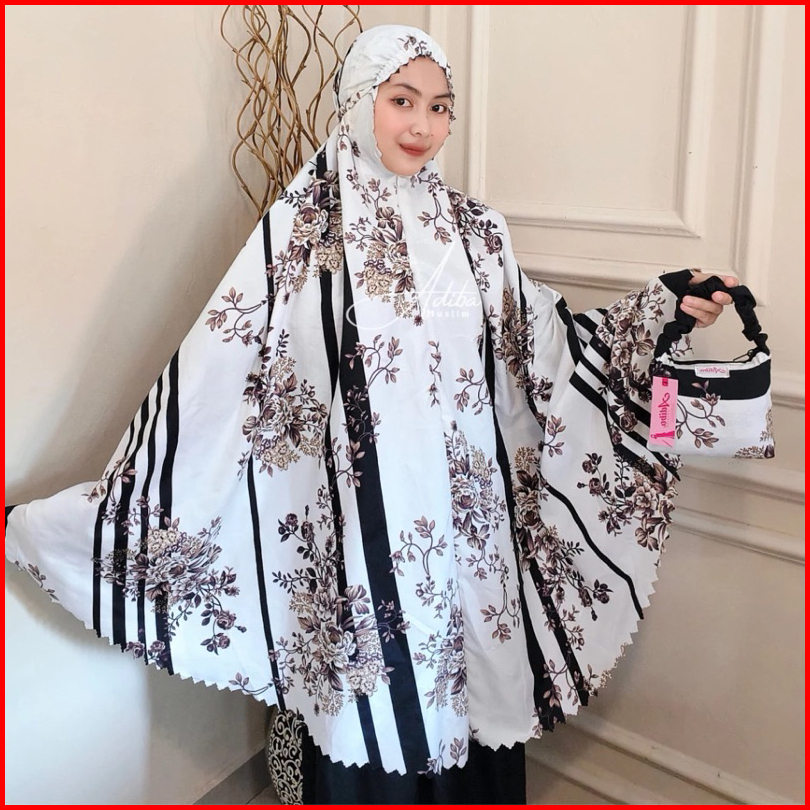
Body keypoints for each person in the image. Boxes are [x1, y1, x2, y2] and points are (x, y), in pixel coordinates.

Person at [5, 25, 738, 805]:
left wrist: (662, 312)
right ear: (360, 102)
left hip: (468, 535)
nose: (422, 125)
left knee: (470, 692)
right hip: (356, 531)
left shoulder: (476, 233)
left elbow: (540, 345)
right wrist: (103, 513)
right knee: (370, 705)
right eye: (402, 101)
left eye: (440, 107)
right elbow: (220, 372)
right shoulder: (301, 233)